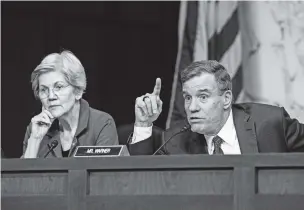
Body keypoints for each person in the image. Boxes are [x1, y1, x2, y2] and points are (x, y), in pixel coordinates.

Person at [128, 60, 304, 155]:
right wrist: (143, 124)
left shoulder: (271, 124)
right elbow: (140, 180)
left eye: (203, 97)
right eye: (188, 98)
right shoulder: (175, 140)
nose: (192, 107)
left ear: (226, 98)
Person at [22, 50, 119, 158]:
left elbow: (104, 174)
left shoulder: (101, 124)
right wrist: (35, 139)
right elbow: (24, 175)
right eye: (44, 90)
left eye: (58, 87)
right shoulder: (35, 128)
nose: (51, 96)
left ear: (77, 91)